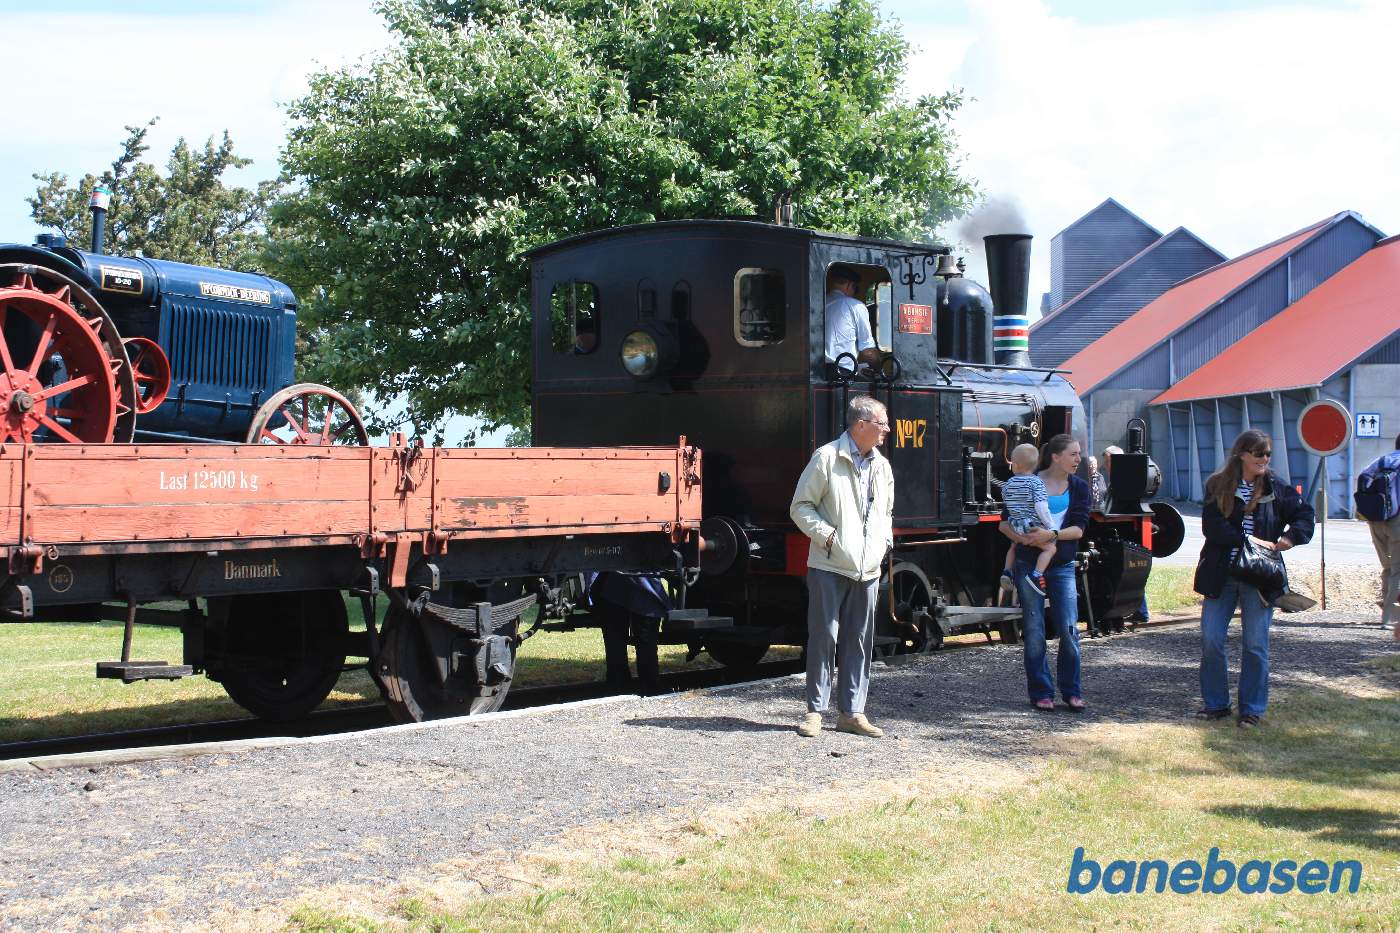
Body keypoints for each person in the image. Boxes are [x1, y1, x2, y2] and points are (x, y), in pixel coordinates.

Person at [1193, 429, 1314, 728]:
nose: (1264, 459)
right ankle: (1217, 704)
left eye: (1268, 454)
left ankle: (1252, 709)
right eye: (1259, 453)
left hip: (1259, 577)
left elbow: (1305, 516)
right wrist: (1248, 541)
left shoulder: (1276, 487)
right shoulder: (1218, 485)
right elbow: (1212, 527)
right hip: (1222, 573)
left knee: (1256, 644)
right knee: (1211, 639)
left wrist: (1290, 537)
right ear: (1242, 454)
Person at [789, 395, 894, 738]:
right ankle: (815, 712)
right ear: (860, 425)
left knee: (860, 641)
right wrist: (829, 538)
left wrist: (883, 543)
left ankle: (852, 713)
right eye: (882, 424)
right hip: (830, 565)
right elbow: (801, 506)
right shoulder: (826, 458)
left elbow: (887, 513)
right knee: (824, 638)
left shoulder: (882, 466)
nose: (887, 431)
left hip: (868, 570)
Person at [999, 434, 1090, 712]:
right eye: (1073, 454)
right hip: (1029, 560)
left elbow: (1079, 529)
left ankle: (1072, 691)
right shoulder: (1029, 482)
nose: (1078, 459)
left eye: (1078, 454)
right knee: (1034, 629)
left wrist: (1051, 534)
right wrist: (1024, 538)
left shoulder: (1079, 488)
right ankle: (1041, 692)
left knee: (1069, 628)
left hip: (1061, 564)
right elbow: (1003, 523)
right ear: (1056, 457)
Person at [588, 571, 668, 694]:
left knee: (616, 641)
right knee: (644, 640)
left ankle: (619, 684)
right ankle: (648, 686)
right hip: (642, 583)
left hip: (615, 584)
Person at [1000, 443, 1058, 597]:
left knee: (1013, 546)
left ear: (1016, 465)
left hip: (1015, 524)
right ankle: (1037, 575)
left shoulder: (1008, 484)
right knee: (1050, 549)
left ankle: (1007, 571)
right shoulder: (1036, 483)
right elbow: (1041, 507)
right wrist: (1050, 525)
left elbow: (1007, 502)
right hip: (1031, 526)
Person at [1357, 432, 1400, 640]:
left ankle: (1387, 613)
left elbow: (1363, 478)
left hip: (1376, 520)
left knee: (1388, 568)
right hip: (1397, 522)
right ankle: (1390, 619)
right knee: (1398, 571)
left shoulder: (1383, 460)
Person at [824, 264, 881, 371]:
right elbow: (868, 351)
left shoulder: (818, 304)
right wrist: (879, 370)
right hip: (842, 374)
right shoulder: (855, 306)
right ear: (849, 285)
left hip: (816, 372)